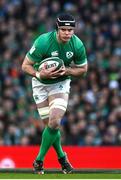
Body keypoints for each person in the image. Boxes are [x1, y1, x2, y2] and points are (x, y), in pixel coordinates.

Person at [22, 13, 88, 174]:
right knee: (50, 127)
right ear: (57, 29)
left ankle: (39, 160)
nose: (67, 33)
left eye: (70, 30)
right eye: (64, 29)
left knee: (55, 122)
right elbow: (25, 66)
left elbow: (83, 71)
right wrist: (39, 74)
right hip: (40, 84)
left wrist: (68, 70)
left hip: (60, 83)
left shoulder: (77, 45)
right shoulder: (43, 42)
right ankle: (63, 159)